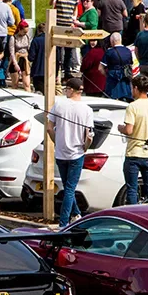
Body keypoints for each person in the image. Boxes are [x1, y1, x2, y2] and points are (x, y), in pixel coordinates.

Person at [50, 76, 98, 226]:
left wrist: (56, 141)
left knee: (67, 187)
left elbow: (49, 127)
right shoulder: (87, 110)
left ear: (71, 90)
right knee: (70, 189)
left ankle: (76, 213)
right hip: (76, 152)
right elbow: (88, 135)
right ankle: (64, 222)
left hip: (60, 152)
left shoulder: (58, 105)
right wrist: (85, 147)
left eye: (66, 89)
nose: (65, 92)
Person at [118, 75, 148, 204]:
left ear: (136, 88)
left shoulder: (132, 107)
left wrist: (120, 128)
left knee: (132, 188)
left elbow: (129, 130)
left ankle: (134, 215)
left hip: (133, 153)